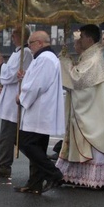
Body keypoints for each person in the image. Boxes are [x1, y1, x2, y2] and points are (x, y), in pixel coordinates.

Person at [57, 25, 104, 190]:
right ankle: (78, 176)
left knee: (93, 142)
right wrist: (70, 61)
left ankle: (98, 179)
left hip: (91, 111)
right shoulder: (89, 56)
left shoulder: (93, 59)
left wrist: (64, 62)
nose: (79, 40)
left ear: (90, 39)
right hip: (88, 109)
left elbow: (77, 80)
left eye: (82, 37)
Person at [14, 31, 65, 194]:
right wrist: (26, 76)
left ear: (41, 43)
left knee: (24, 142)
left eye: (32, 42)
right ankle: (34, 183)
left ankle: (54, 174)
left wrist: (22, 97)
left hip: (39, 111)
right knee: (38, 147)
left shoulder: (45, 59)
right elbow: (36, 79)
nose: (29, 45)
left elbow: (37, 85)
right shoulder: (45, 58)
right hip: (40, 110)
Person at [0, 27, 33, 179]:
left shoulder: (25, 53)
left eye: (14, 34)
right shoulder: (18, 52)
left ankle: (4, 166)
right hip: (8, 98)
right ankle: (4, 164)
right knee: (11, 136)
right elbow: (7, 76)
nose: (12, 37)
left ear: (21, 36)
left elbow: (12, 75)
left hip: (14, 101)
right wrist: (0, 82)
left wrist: (1, 65)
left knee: (9, 136)